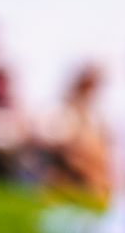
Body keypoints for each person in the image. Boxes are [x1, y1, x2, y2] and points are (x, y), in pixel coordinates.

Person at [36, 63, 114, 198]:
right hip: (67, 174)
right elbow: (57, 143)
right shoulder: (63, 111)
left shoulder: (96, 116)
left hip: (90, 179)